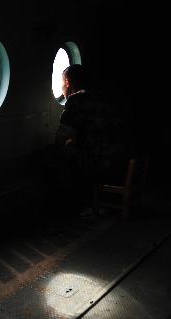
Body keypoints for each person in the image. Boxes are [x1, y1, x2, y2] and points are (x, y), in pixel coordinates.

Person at [44, 64, 131, 216]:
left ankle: (69, 207)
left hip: (102, 162)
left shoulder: (76, 100)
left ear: (68, 83)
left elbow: (62, 137)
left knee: (56, 156)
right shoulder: (103, 96)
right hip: (120, 156)